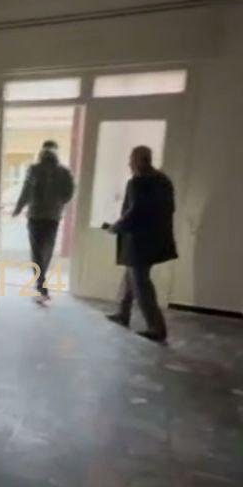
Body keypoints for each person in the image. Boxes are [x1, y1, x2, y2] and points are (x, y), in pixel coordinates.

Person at [103, 145, 177, 343]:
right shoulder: (163, 180)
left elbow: (135, 213)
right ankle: (123, 313)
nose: (129, 163)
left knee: (141, 284)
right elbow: (169, 209)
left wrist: (115, 227)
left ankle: (157, 328)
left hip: (139, 241)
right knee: (131, 277)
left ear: (139, 160)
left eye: (131, 159)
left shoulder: (138, 182)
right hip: (156, 239)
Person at [13, 141, 75, 301]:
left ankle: (41, 284)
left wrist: (18, 208)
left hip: (36, 215)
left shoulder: (34, 170)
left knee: (37, 251)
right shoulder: (64, 172)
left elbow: (26, 191)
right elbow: (69, 193)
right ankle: (41, 283)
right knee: (47, 249)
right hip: (53, 216)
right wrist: (58, 203)